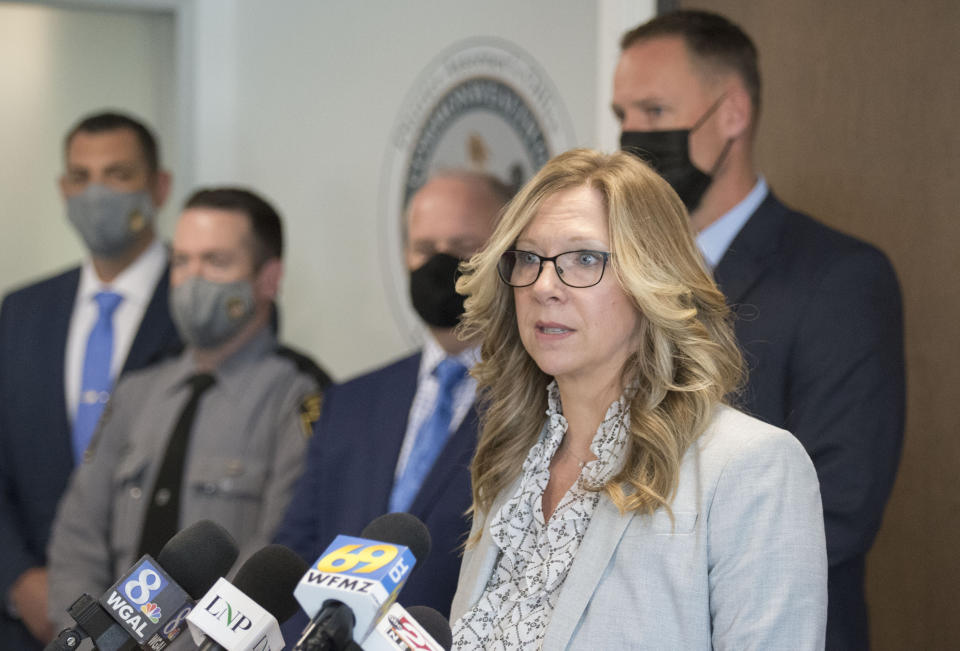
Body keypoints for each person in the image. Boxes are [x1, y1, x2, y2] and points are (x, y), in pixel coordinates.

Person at [449, 149, 827, 649]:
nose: (543, 286)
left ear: (654, 278)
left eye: (584, 259)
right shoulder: (511, 461)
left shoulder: (750, 467)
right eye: (528, 257)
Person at [612, 11, 904, 649]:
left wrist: (655, 595)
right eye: (623, 116)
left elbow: (839, 510)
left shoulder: (840, 278)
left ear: (733, 113)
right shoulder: (616, 278)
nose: (633, 137)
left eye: (655, 113)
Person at [46, 187, 331, 638]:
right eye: (182, 261)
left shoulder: (300, 397)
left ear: (268, 279)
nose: (192, 279)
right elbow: (77, 541)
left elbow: (280, 551)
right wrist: (96, 641)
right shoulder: (137, 391)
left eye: (216, 262)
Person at [274, 171, 509, 621]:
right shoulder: (349, 403)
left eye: (462, 248)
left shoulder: (540, 403)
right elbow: (297, 551)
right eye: (424, 249)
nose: (440, 265)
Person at [0, 111, 181, 648]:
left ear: (159, 186)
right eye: (80, 177)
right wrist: (18, 579)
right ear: (62, 188)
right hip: (28, 623)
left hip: (161, 620)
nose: (95, 192)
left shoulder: (198, 311)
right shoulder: (22, 314)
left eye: (118, 174)